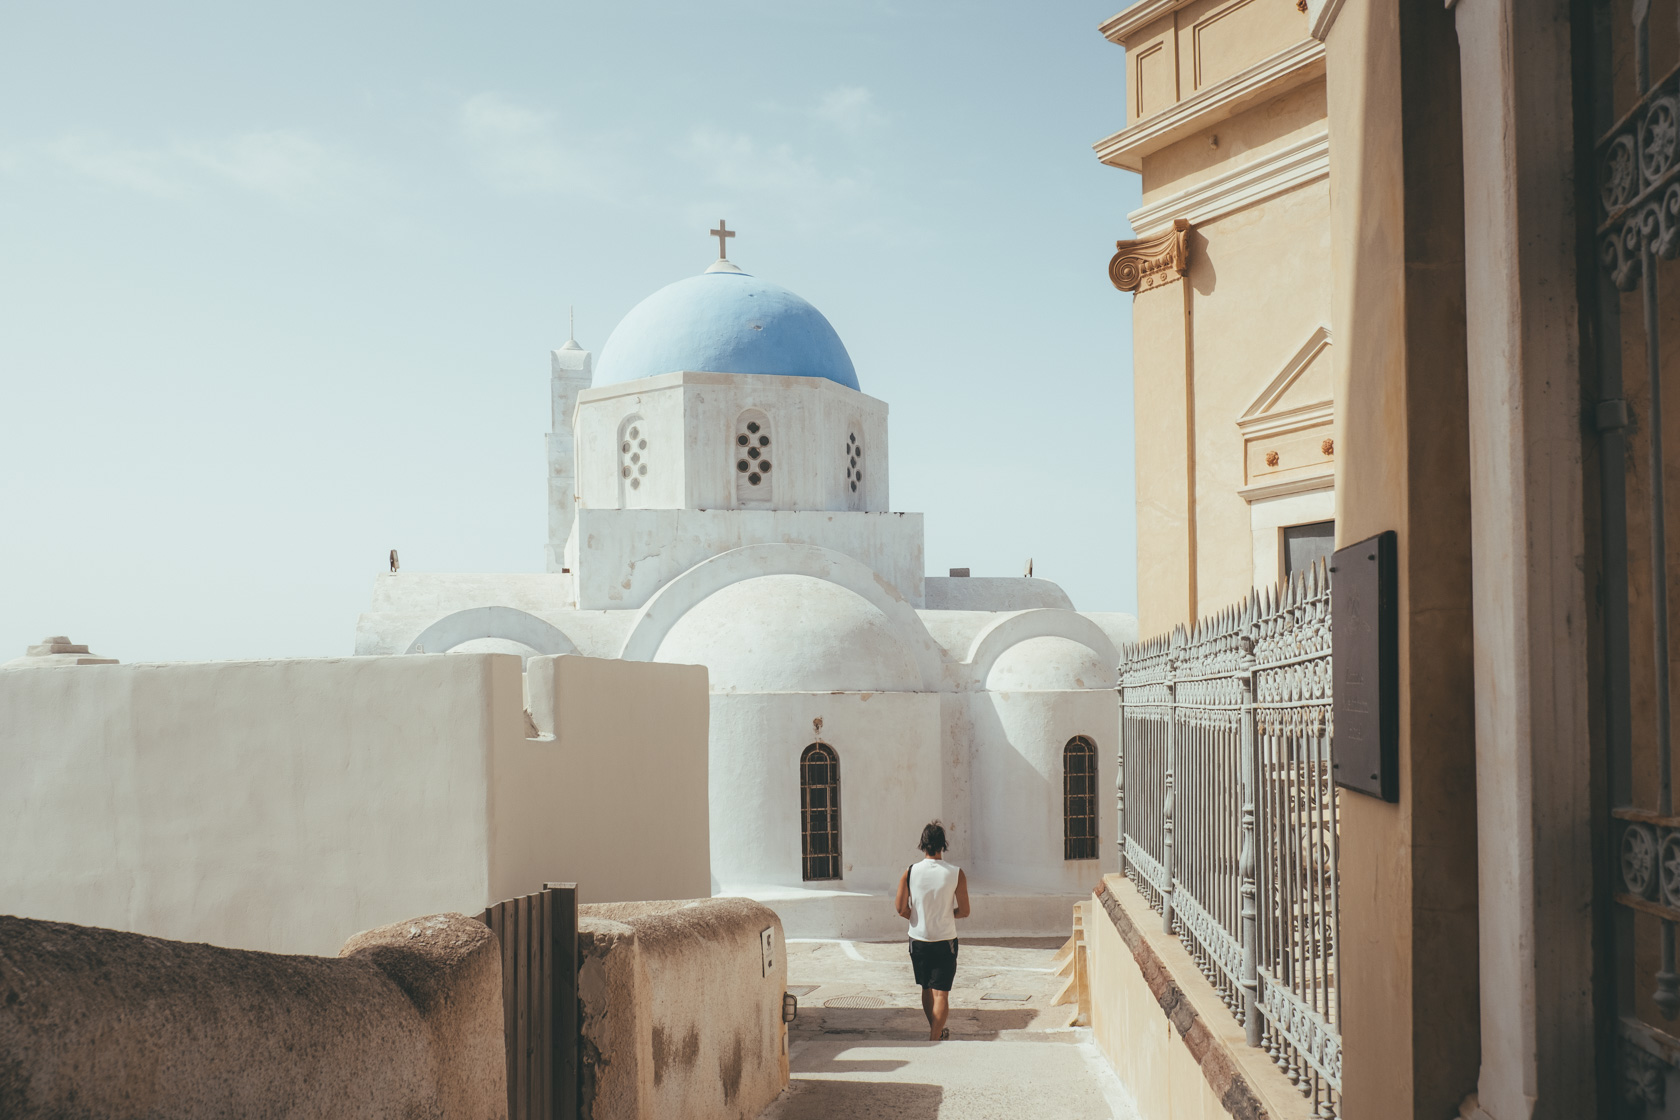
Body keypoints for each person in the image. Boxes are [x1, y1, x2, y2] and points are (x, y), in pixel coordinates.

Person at [895, 821, 970, 1041]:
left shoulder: (910, 872)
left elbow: (900, 909)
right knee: (942, 993)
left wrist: (919, 917)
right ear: (942, 846)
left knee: (926, 988)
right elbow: (965, 911)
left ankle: (935, 1032)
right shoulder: (956, 873)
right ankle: (934, 1036)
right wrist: (947, 914)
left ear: (923, 845)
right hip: (944, 939)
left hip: (918, 939)